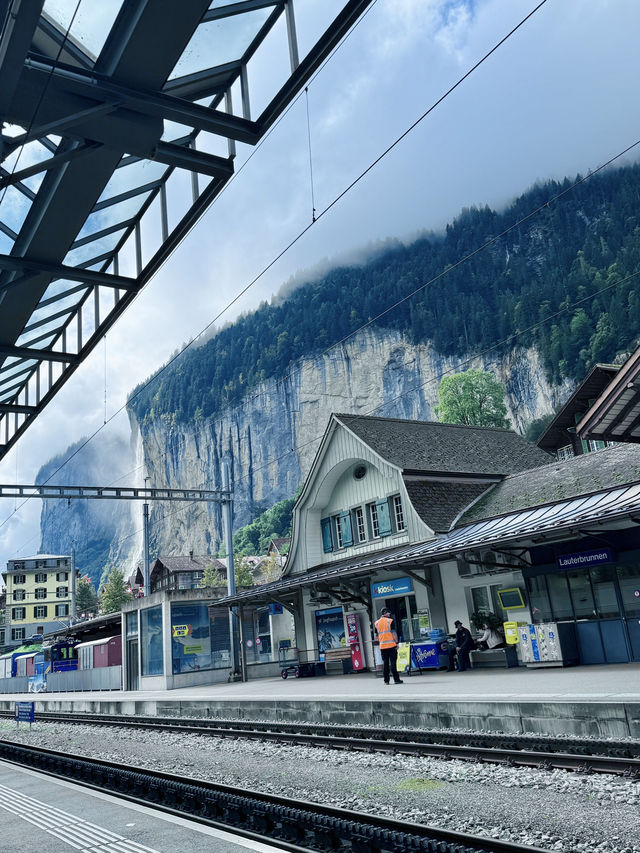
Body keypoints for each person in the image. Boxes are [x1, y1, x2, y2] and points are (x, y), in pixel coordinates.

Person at [374, 608, 403, 685]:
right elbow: (393, 633)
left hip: (383, 647)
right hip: (391, 645)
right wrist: (396, 643)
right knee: (393, 663)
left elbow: (377, 636)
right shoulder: (390, 621)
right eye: (389, 613)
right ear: (385, 613)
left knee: (385, 663)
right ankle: (396, 680)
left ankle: (386, 681)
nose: (390, 614)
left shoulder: (376, 623)